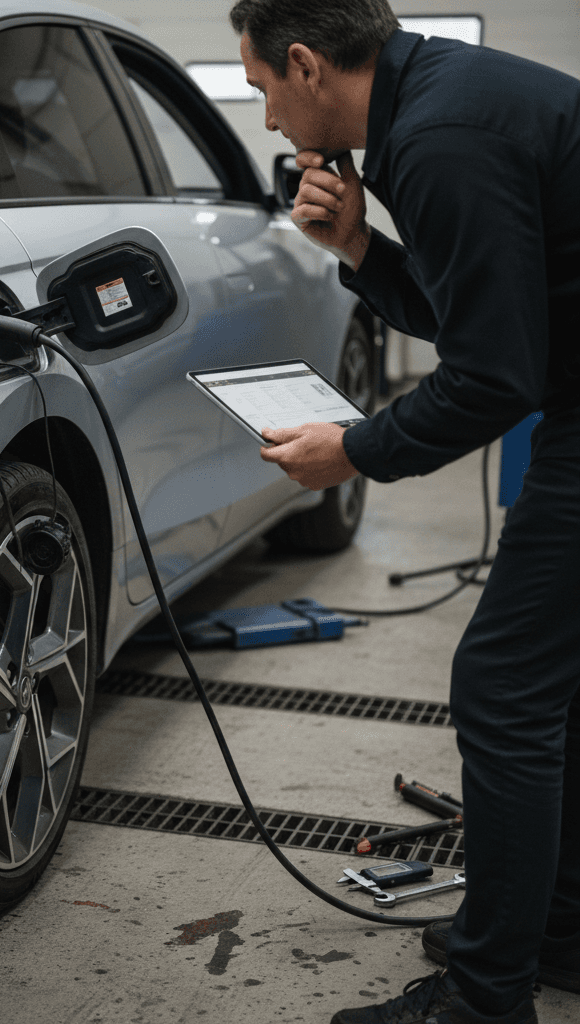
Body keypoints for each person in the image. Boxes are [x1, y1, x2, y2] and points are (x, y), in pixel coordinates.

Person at [228, 0, 580, 1021]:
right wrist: (358, 246)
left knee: (504, 686)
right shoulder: (435, 106)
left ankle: (481, 999)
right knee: (553, 681)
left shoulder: (436, 136)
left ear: (303, 64)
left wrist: (353, 449)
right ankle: (553, 923)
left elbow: (490, 376)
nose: (267, 124)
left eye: (259, 91)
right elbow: (486, 314)